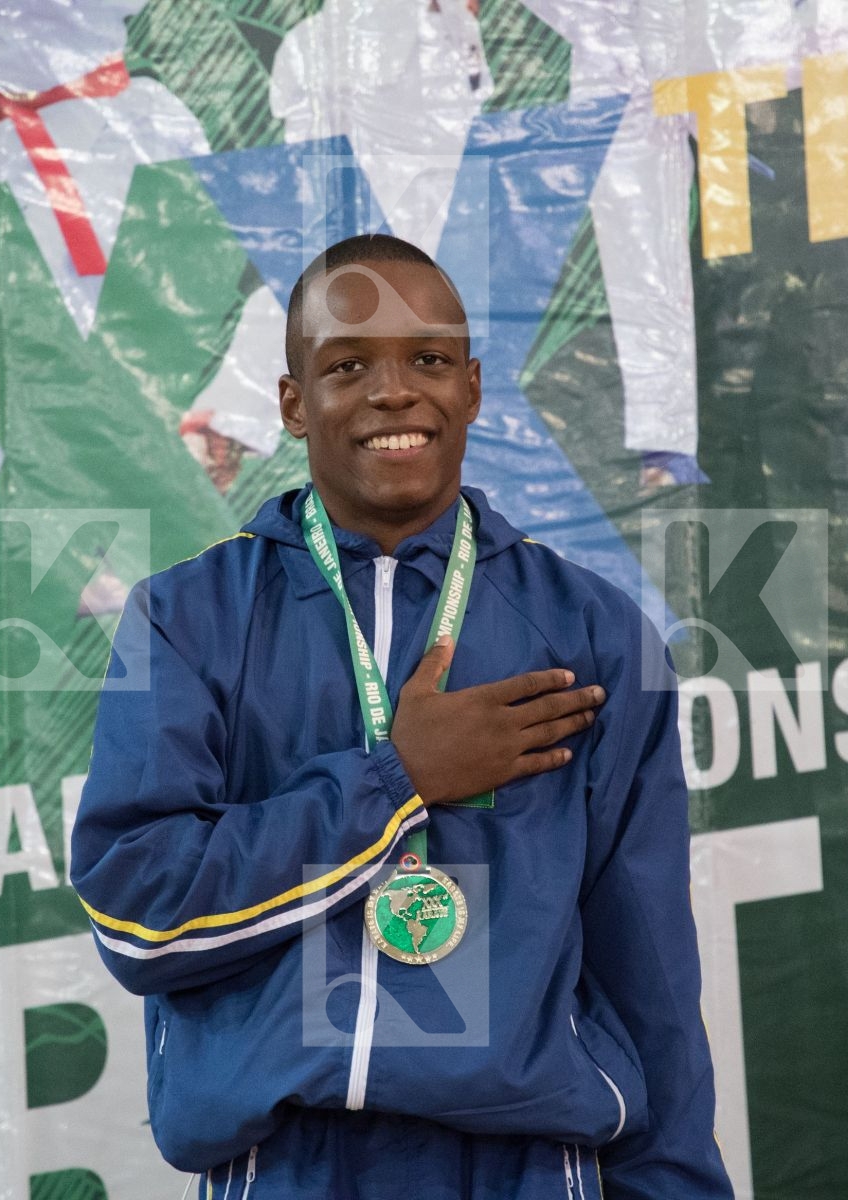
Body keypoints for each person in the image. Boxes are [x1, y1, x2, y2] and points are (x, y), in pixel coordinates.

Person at [71, 233, 732, 1199]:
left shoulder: (591, 632)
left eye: (427, 360)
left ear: (470, 385)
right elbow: (138, 918)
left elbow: (651, 975)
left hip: (533, 1167)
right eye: (347, 366)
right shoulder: (188, 620)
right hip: (288, 1167)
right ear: (293, 403)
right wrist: (394, 783)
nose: (393, 392)